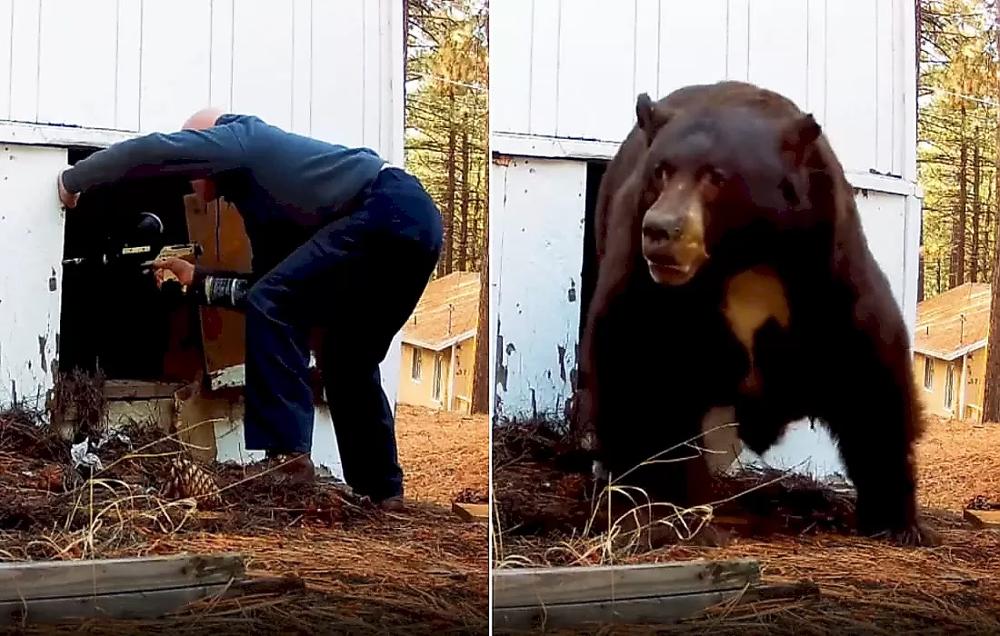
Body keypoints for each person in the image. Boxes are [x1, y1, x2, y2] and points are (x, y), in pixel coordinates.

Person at [57, 108, 444, 510]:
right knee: (347, 357)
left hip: (385, 208)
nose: (191, 178)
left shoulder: (242, 138)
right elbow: (266, 293)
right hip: (417, 225)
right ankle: (381, 491)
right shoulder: (275, 206)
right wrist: (199, 280)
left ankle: (286, 459)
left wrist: (75, 179)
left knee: (290, 313)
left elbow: (155, 150)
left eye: (196, 162)